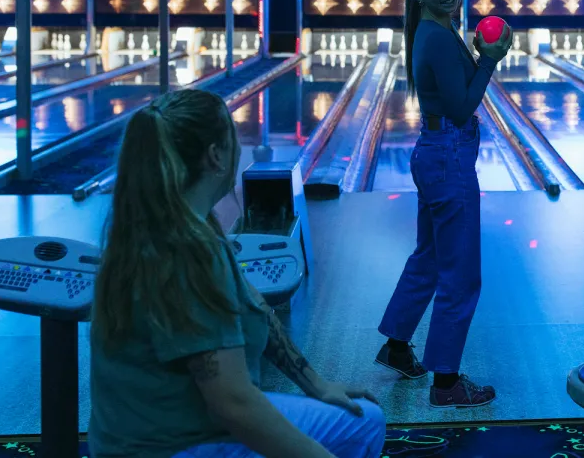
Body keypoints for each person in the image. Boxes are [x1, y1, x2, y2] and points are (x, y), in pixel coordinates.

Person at [89, 89, 385, 458]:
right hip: (175, 445)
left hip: (129, 437)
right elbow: (233, 404)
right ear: (215, 156)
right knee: (361, 425)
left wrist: (317, 385)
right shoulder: (192, 252)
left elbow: (255, 304)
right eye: (233, 140)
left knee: (356, 416)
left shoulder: (151, 224)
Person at [374, 0, 513, 408]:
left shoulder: (437, 30)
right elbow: (461, 106)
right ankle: (447, 382)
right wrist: (490, 59)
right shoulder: (435, 35)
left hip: (436, 155)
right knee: (461, 276)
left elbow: (457, 92)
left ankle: (397, 345)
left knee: (430, 259)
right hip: (448, 159)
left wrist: (476, 54)